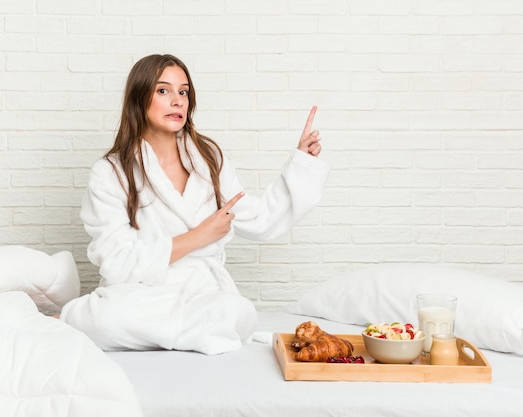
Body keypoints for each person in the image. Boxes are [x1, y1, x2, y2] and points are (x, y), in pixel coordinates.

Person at [60, 54, 330, 355]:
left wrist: (302, 162)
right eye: (163, 90)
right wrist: (199, 236)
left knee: (237, 311)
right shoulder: (111, 172)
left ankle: (175, 331)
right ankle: (195, 333)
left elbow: (262, 219)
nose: (177, 101)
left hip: (201, 292)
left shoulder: (209, 159)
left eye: (183, 91)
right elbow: (117, 261)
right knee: (107, 318)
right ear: (139, 97)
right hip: (141, 293)